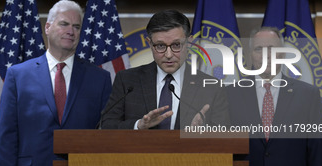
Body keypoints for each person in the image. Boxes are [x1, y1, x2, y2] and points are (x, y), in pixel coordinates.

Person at [0, 0, 112, 166]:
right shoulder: (18, 75)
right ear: (47, 27)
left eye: (76, 27)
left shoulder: (100, 78)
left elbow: (107, 134)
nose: (71, 31)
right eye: (64, 24)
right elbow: (7, 134)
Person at [227, 26, 322, 166]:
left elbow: (317, 153)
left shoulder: (307, 94)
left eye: (272, 49)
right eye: (259, 49)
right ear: (250, 55)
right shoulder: (230, 94)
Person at [99, 9, 230, 130]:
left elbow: (225, 135)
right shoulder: (127, 80)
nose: (168, 55)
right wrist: (138, 125)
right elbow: (106, 125)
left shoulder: (211, 87)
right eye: (160, 46)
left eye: (176, 45)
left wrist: (204, 130)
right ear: (150, 44)